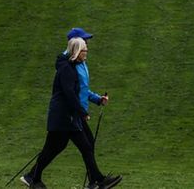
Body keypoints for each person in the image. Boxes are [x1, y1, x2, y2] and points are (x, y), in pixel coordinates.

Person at [21, 35, 121, 189]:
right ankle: (98, 181)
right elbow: (69, 94)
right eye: (84, 51)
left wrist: (96, 100)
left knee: (59, 148)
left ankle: (34, 178)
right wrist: (82, 112)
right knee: (77, 147)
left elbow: (80, 91)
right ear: (76, 52)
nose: (86, 53)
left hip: (67, 117)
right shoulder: (67, 70)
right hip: (64, 118)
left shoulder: (73, 67)